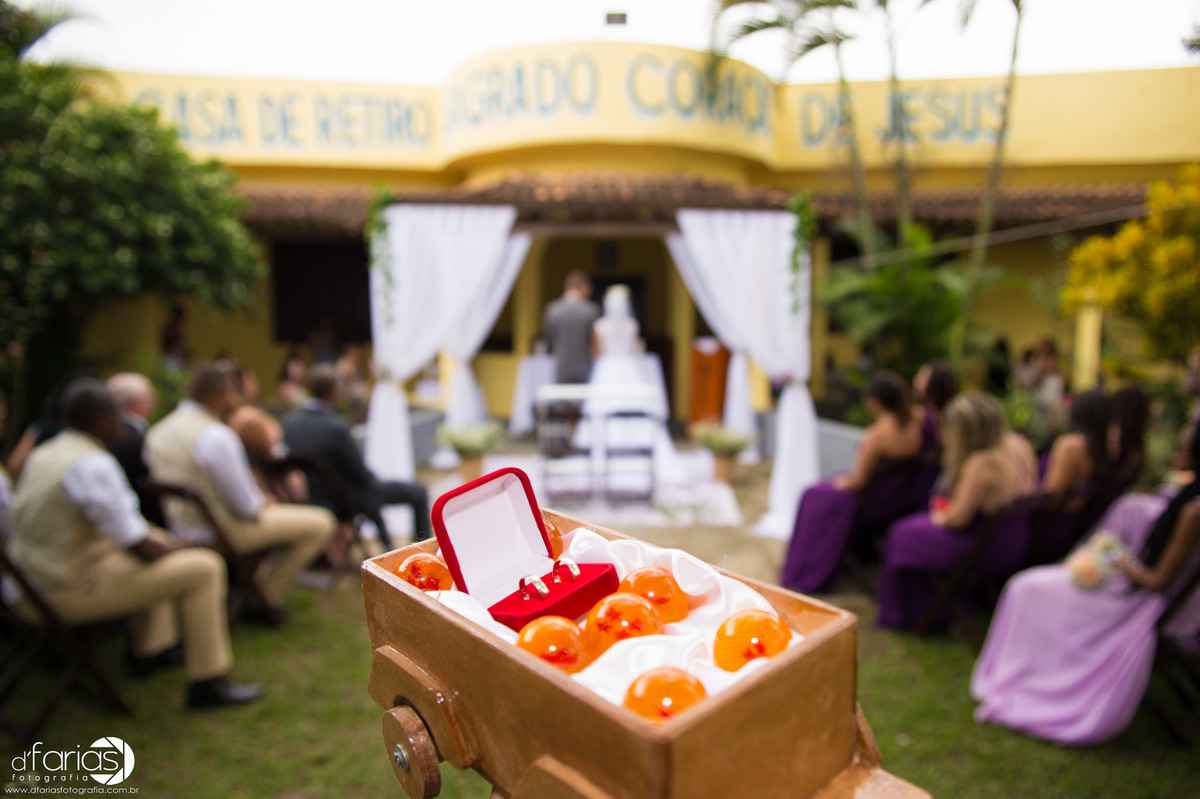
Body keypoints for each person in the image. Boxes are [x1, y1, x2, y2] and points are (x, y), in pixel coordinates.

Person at [6, 379, 262, 708]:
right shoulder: (93, 464)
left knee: (155, 550)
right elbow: (138, 544)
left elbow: (122, 531)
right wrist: (179, 548)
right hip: (58, 590)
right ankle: (208, 681)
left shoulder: (47, 452)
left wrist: (165, 543)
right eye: (118, 416)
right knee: (204, 568)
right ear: (103, 422)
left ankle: (153, 650)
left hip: (27, 581)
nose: (123, 423)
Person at [971, 421, 1200, 745]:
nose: (1175, 452)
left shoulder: (1193, 511)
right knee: (1031, 587)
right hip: (1135, 588)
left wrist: (1121, 560)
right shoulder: (1187, 499)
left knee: (1026, 589)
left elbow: (1159, 581)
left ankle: (1031, 681)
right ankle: (1031, 673)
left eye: (1181, 446)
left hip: (1140, 602)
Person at [145, 362, 336, 614]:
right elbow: (247, 507)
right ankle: (265, 598)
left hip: (181, 527)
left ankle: (254, 593)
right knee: (321, 523)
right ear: (221, 395)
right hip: (222, 530)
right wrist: (263, 501)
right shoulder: (215, 436)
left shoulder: (159, 431)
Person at [876, 392, 1037, 631]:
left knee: (901, 533)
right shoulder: (1018, 443)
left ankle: (905, 613)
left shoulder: (981, 462)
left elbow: (958, 520)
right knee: (911, 530)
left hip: (985, 547)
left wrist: (939, 516)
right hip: (1016, 538)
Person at [780, 372, 934, 595]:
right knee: (819, 492)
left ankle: (805, 567)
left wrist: (839, 483)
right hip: (899, 498)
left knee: (812, 495)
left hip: (873, 503)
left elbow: (858, 481)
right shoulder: (915, 426)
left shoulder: (877, 436)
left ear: (876, 402)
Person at [283, 365, 430, 549]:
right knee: (417, 492)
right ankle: (422, 551)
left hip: (311, 500)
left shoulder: (290, 424)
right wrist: (373, 478)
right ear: (333, 392)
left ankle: (388, 545)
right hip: (345, 502)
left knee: (371, 492)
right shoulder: (335, 428)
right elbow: (361, 476)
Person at [1036, 389, 1113, 560]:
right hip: (1072, 525)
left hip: (1050, 528)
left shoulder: (1071, 445)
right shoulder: (1104, 448)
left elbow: (1051, 497)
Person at [106, 372, 166, 527]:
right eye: (151, 399)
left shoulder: (108, 433)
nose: (154, 404)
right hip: (141, 519)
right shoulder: (140, 438)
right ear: (135, 404)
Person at [543, 271, 601, 385]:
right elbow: (594, 346)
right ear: (584, 287)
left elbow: (549, 342)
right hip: (585, 369)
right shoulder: (591, 310)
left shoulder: (552, 310)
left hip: (561, 369)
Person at [912, 361, 958, 450]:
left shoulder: (919, 415)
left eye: (921, 376)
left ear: (935, 384)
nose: (915, 380)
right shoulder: (953, 412)